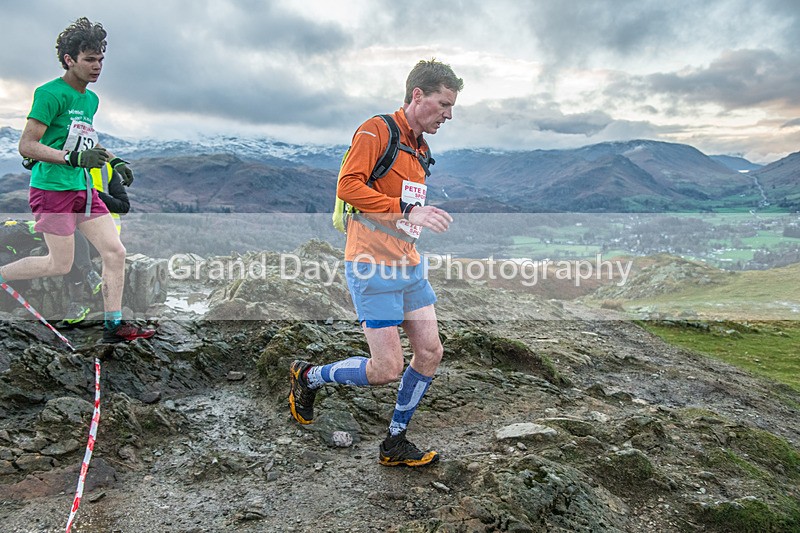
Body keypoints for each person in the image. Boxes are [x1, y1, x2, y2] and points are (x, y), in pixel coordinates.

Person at [289, 59, 463, 467]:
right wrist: (405, 210)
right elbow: (349, 185)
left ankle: (395, 442)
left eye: (452, 107)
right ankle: (308, 377)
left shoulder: (420, 148)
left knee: (431, 352)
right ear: (417, 95)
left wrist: (411, 219)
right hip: (371, 264)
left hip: (409, 264)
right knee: (386, 368)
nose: (448, 115)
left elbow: (406, 207)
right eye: (443, 104)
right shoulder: (376, 129)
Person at [0, 17, 154, 343]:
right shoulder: (50, 94)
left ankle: (113, 328)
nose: (97, 66)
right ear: (70, 60)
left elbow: (83, 140)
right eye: (89, 59)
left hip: (82, 189)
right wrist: (73, 159)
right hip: (52, 190)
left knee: (115, 252)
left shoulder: (90, 99)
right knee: (59, 264)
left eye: (100, 59)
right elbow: (27, 145)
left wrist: (115, 161)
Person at [61, 161, 129, 326]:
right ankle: (89, 275)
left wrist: (93, 195)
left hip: (105, 237)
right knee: (66, 236)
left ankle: (77, 303)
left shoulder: (107, 170)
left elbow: (124, 206)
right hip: (74, 234)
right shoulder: (65, 168)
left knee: (70, 245)